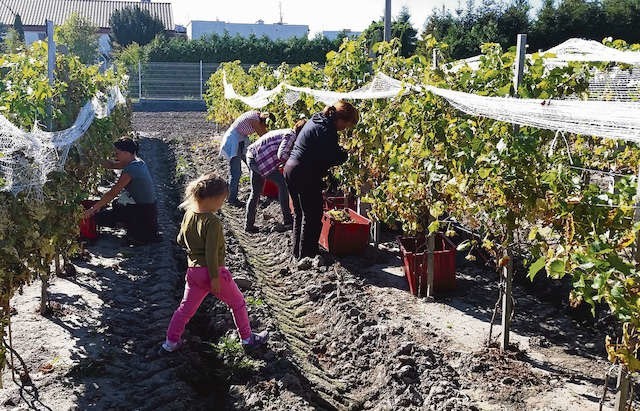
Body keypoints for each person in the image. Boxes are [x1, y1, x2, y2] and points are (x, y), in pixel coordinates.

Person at [160, 173, 269, 353]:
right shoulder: (213, 221)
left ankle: (171, 342)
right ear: (212, 198)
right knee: (238, 303)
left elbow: (180, 239)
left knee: (184, 310)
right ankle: (248, 339)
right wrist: (215, 277)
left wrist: (193, 251)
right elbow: (211, 253)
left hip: (193, 272)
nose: (222, 204)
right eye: (222, 200)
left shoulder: (189, 213)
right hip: (213, 272)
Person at [284, 101, 359, 259]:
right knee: (312, 216)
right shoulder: (327, 129)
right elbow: (331, 156)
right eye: (345, 126)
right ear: (340, 119)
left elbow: (321, 151)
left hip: (291, 168)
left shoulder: (318, 119)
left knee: (300, 214)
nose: (343, 129)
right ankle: (308, 256)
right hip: (305, 172)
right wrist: (346, 154)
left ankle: (297, 254)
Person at [83, 137, 159, 244]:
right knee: (116, 204)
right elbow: (112, 165)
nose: (115, 156)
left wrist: (92, 209)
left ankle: (128, 226)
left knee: (99, 217)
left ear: (127, 153)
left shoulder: (131, 169)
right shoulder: (137, 162)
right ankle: (125, 223)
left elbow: (112, 193)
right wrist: (91, 159)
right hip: (148, 208)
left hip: (142, 212)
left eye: (117, 153)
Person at [244, 119, 307, 232]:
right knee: (283, 184)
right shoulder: (291, 136)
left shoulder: (288, 133)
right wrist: (292, 165)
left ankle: (248, 226)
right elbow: (281, 154)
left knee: (256, 192)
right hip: (260, 160)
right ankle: (288, 221)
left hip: (254, 156)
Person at [219, 110, 275, 207]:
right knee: (236, 172)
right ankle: (232, 199)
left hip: (242, 140)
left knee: (253, 167)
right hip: (234, 141)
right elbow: (264, 136)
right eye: (266, 124)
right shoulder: (255, 120)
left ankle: (257, 195)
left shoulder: (257, 115)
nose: (266, 125)